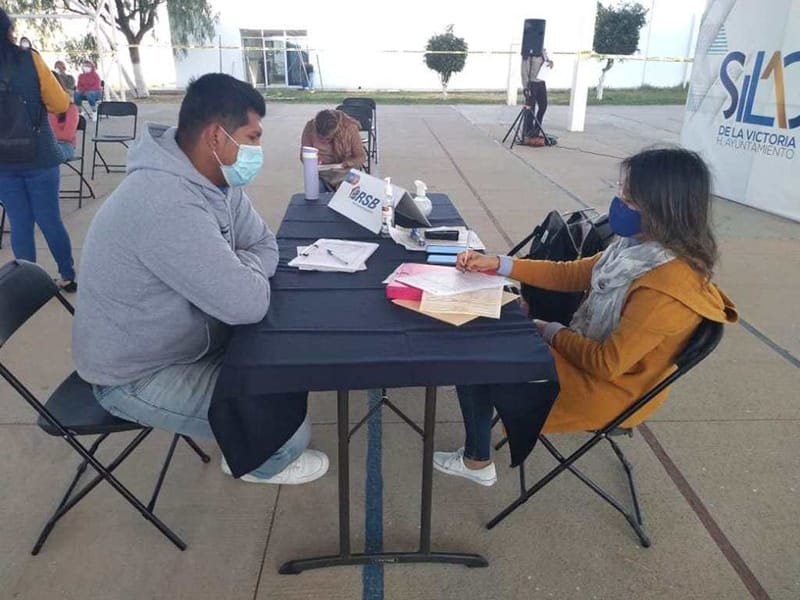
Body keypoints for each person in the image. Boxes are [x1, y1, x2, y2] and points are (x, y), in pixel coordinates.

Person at [73, 73, 329, 485]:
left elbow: (265, 243)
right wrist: (238, 274)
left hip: (194, 339)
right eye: (253, 137)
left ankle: (241, 435)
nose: (257, 150)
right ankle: (253, 463)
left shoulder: (217, 179)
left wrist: (236, 268)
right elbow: (248, 305)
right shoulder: (165, 203)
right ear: (216, 136)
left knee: (289, 357)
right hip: (138, 374)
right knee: (287, 435)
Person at [435, 147, 738, 487]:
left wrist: (545, 329)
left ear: (662, 207)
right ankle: (474, 390)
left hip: (607, 390)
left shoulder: (665, 289)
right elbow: (572, 273)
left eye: (629, 197)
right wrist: (499, 264)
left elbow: (606, 364)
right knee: (488, 327)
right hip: (591, 363)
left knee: (476, 351)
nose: (618, 202)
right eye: (620, 190)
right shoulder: (639, 250)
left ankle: (476, 460)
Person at [0, 9, 78, 292]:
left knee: (20, 223)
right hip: (40, 155)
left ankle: (28, 287)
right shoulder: (29, 58)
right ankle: (67, 275)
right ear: (9, 29)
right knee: (49, 219)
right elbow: (59, 103)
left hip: (3, 163)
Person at [300, 109, 367, 189]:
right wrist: (312, 161)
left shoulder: (350, 128)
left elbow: (361, 157)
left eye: (328, 138)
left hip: (345, 172)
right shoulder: (310, 127)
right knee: (313, 189)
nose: (324, 141)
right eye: (320, 138)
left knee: (346, 191)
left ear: (335, 131)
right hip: (322, 174)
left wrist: (348, 163)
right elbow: (304, 155)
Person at [520, 47, 553, 145]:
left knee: (543, 106)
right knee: (531, 109)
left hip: (541, 82)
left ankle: (536, 131)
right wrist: (525, 87)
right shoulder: (528, 51)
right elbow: (524, 71)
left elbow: (546, 62)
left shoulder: (543, 50)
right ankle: (528, 133)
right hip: (532, 83)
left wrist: (550, 63)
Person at [49, 75, 80, 162]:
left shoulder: (71, 108)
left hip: (65, 145)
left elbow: (67, 136)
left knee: (49, 155)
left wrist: (50, 113)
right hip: (44, 145)